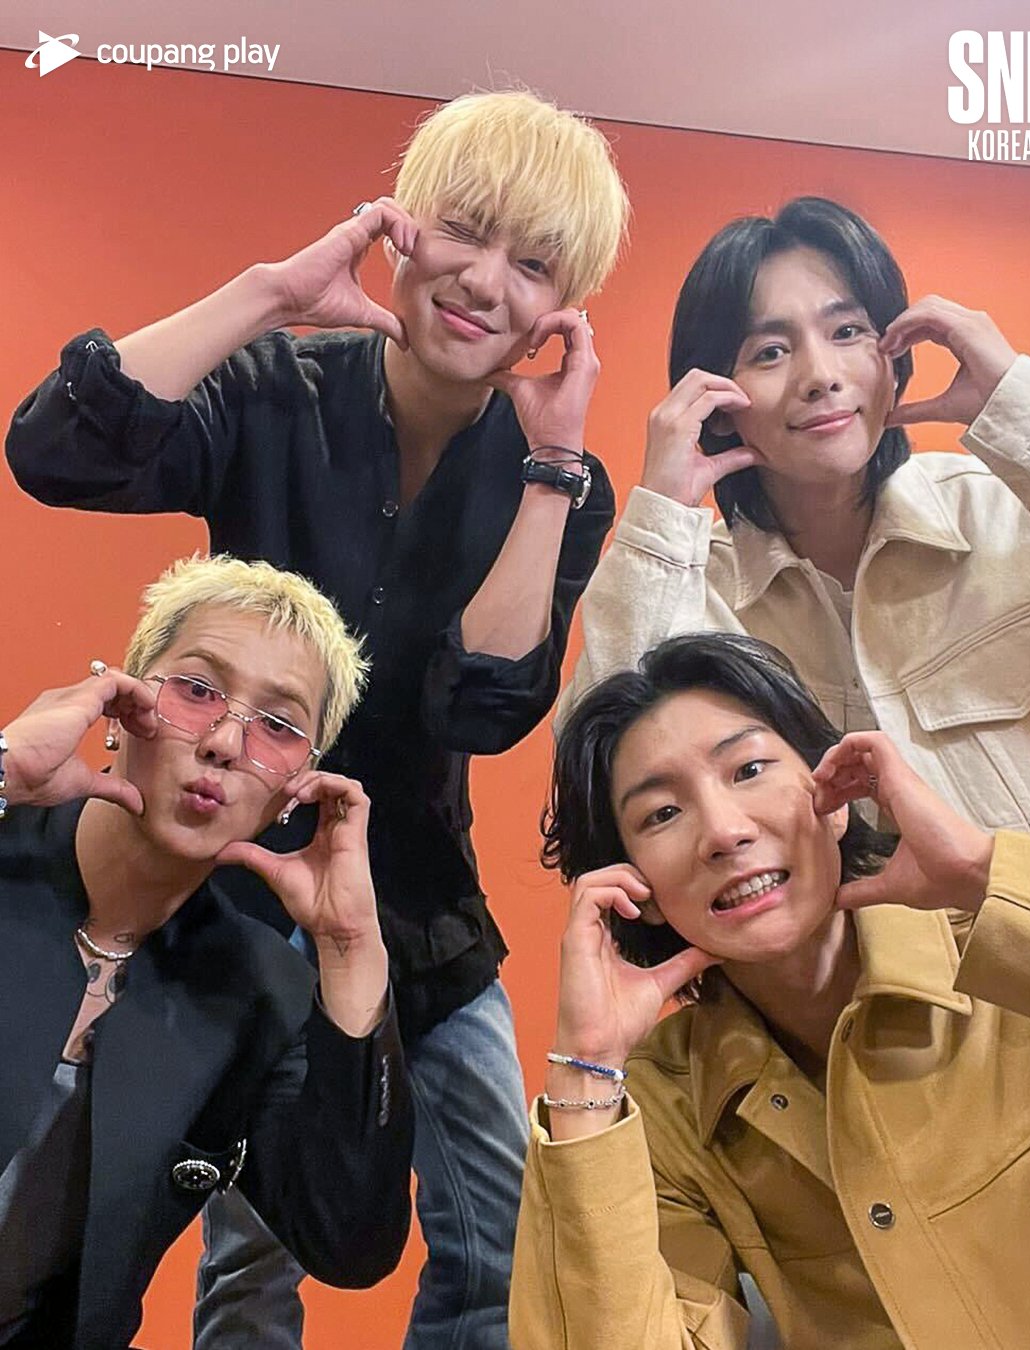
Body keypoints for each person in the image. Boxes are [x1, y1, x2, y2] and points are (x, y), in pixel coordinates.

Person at [5, 90, 629, 1346]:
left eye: (534, 264)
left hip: (419, 915)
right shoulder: (276, 384)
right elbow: (56, 451)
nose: (484, 281)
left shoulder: (556, 476)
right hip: (230, 900)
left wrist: (553, 470)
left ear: (564, 307)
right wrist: (266, 295)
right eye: (465, 231)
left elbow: (486, 708)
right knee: (255, 1255)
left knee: (499, 1238)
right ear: (400, 225)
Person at [510, 631, 1030, 1349]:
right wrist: (585, 1069)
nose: (724, 831)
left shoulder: (1009, 951)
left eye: (748, 769)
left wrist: (977, 871)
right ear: (638, 892)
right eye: (662, 814)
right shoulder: (663, 1106)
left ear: (834, 796)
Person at [557, 196, 1030, 843]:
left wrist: (1021, 400)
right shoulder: (695, 590)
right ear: (718, 402)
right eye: (770, 351)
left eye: (848, 332)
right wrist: (661, 512)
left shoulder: (1010, 510)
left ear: (895, 356)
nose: (820, 376)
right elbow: (602, 769)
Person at [0, 554, 412, 1350]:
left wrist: (351, 949)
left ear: (299, 788)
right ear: (121, 704)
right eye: (196, 690)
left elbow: (350, 1240)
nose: (224, 742)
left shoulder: (254, 994)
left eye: (279, 727)